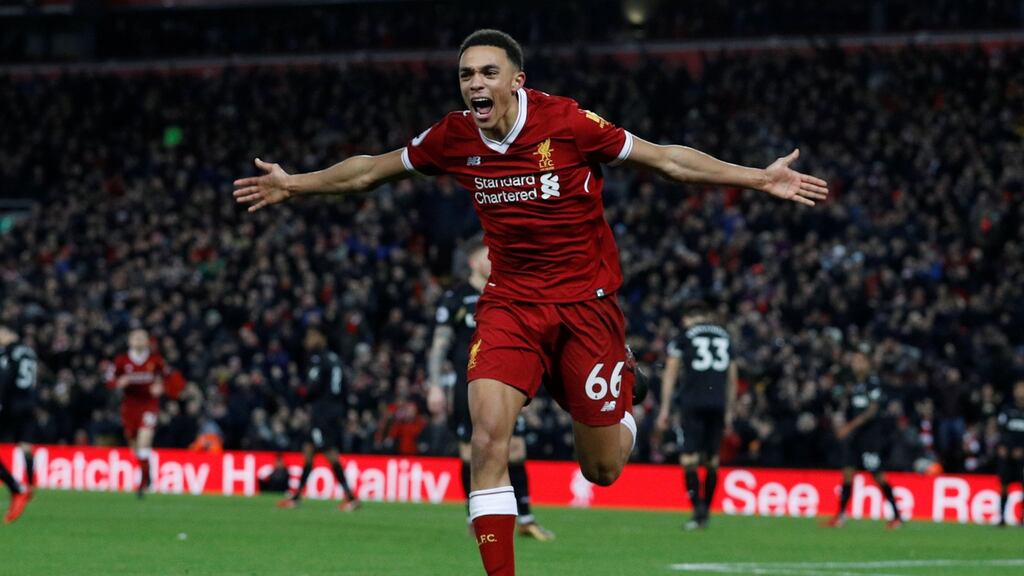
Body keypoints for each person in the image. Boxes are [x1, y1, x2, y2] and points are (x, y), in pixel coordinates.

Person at [233, 29, 827, 575]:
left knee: (602, 470)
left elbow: (666, 158)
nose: (474, 85)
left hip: (585, 306)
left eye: (488, 73)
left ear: (516, 80)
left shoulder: (568, 124)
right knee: (489, 435)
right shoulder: (454, 136)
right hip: (510, 305)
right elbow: (369, 172)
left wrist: (756, 177)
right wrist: (295, 183)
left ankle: (625, 392)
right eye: (466, 75)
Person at [428, 237, 554, 540]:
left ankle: (525, 517)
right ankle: (474, 517)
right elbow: (439, 346)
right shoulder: (456, 298)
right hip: (467, 386)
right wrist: (434, 386)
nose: (495, 260)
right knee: (470, 452)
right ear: (474, 261)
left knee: (517, 449)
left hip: (507, 385)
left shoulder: (507, 295)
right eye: (489, 255)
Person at [655, 301, 735, 530]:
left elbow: (670, 374)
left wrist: (665, 409)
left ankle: (698, 511)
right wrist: (729, 411)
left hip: (692, 402)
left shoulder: (684, 336)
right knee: (712, 461)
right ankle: (705, 512)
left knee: (689, 459)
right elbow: (732, 375)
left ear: (689, 317)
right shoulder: (724, 336)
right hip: (718, 403)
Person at [277, 327, 360, 512]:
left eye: (310, 336)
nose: (307, 341)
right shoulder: (335, 359)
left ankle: (351, 497)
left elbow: (312, 388)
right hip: (334, 409)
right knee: (308, 449)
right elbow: (345, 388)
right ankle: (296, 496)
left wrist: (299, 395)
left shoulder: (317, 359)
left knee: (329, 450)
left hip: (323, 411)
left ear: (320, 338)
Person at [825, 349, 903, 529]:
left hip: (870, 437)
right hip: (856, 438)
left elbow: (872, 410)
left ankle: (897, 515)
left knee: (878, 476)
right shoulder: (855, 385)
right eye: (854, 361)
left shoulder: (872, 382)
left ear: (867, 364)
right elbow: (851, 408)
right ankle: (841, 516)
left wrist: (848, 427)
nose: (856, 364)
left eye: (860, 361)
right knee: (847, 473)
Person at [105, 328, 167, 498]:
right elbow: (109, 381)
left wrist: (160, 387)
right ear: (130, 341)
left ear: (147, 341)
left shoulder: (156, 360)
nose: (139, 340)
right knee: (135, 446)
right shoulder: (121, 361)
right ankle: (147, 473)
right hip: (129, 407)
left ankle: (143, 482)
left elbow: (166, 377)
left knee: (144, 440)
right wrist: (119, 383)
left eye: (142, 337)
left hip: (148, 405)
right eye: (136, 337)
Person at [0, 323, 34, 523]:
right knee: (26, 447)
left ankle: (17, 488)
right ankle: (29, 486)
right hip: (28, 403)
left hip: (10, 405)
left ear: (11, 334)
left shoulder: (7, 352)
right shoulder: (28, 352)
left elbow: (5, 378)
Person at [995, 378, 1024, 527]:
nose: (1020, 392)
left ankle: (1022, 518)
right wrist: (1001, 447)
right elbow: (1000, 430)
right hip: (1007, 455)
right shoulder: (1008, 410)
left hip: (1022, 457)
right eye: (1018, 389)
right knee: (1004, 485)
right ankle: (1001, 518)